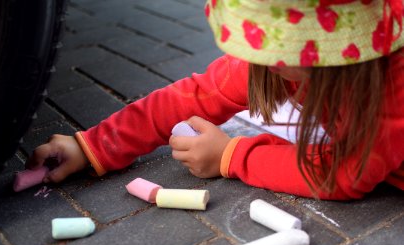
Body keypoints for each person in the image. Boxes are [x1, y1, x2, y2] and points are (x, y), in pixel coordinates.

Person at [27, 0, 404, 200]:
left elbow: (346, 174)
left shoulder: (393, 84)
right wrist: (93, 145)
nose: (260, 62)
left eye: (278, 49)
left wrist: (232, 156)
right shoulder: (268, 63)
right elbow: (193, 95)